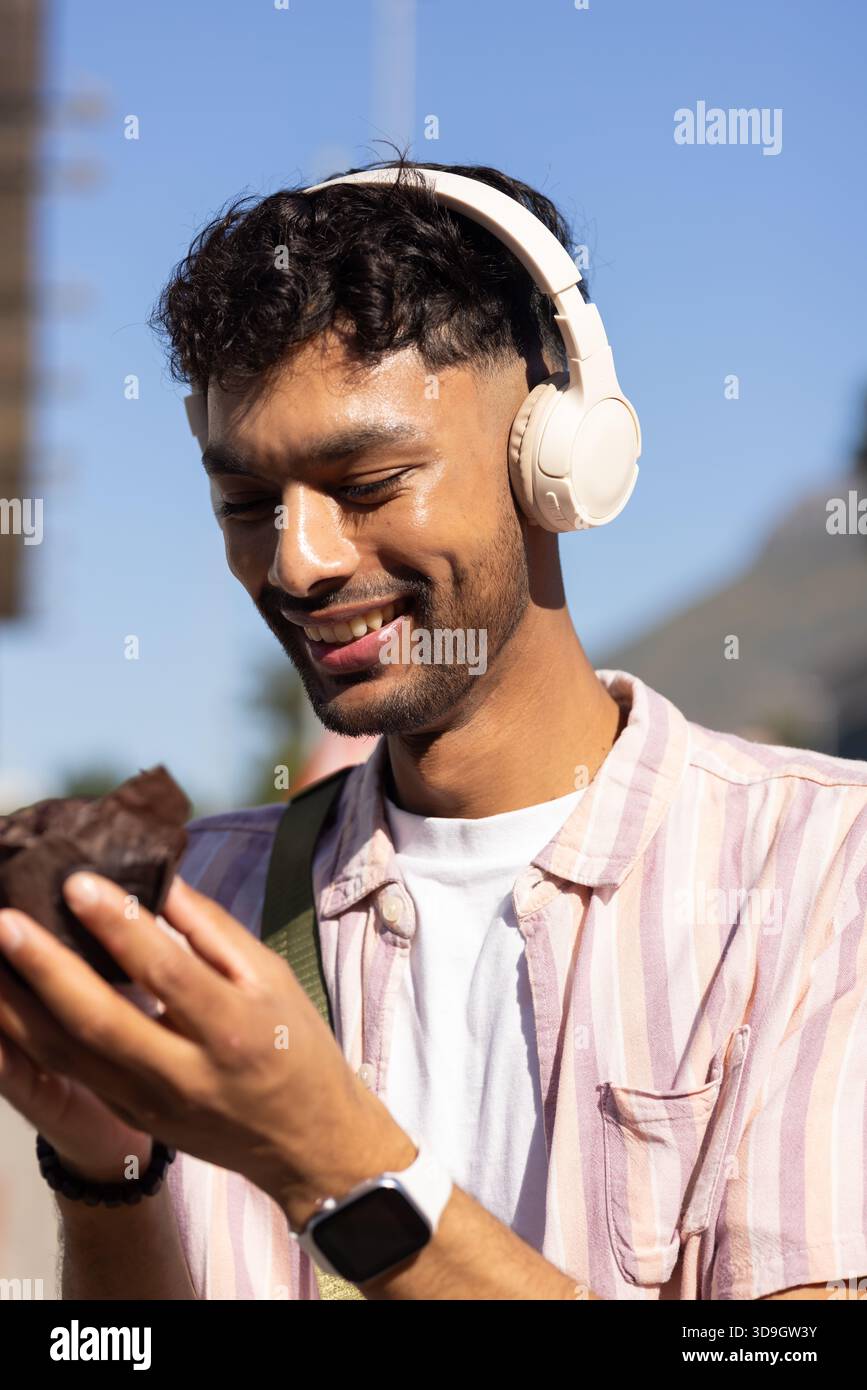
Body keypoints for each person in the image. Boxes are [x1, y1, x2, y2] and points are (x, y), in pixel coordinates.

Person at [0, 157, 865, 1301]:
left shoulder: (819, 874)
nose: (297, 562)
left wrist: (332, 1158)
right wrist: (106, 1172)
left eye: (366, 482)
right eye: (248, 504)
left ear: (554, 457)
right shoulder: (197, 902)